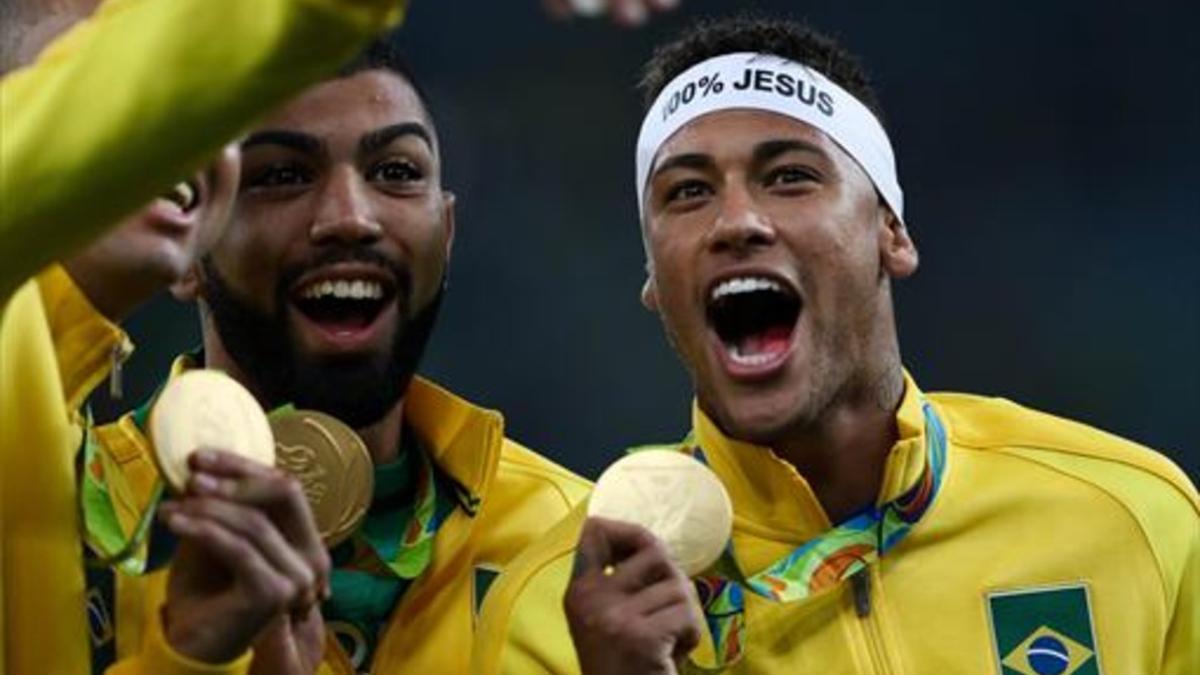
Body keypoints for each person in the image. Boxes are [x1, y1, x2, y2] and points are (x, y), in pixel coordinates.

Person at [472, 16, 1199, 675]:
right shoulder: (558, 610)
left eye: (790, 177)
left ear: (893, 232)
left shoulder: (1132, 518)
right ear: (654, 280)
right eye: (688, 193)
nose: (736, 221)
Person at [88, 39, 591, 675]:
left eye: (397, 172)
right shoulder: (66, 522)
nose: (352, 218)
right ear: (186, 248)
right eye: (281, 176)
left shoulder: (578, 542)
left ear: (448, 232)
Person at [0, 0, 410, 672]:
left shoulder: (55, 408)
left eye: (214, 113)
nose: (177, 134)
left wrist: (193, 653)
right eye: (112, 81)